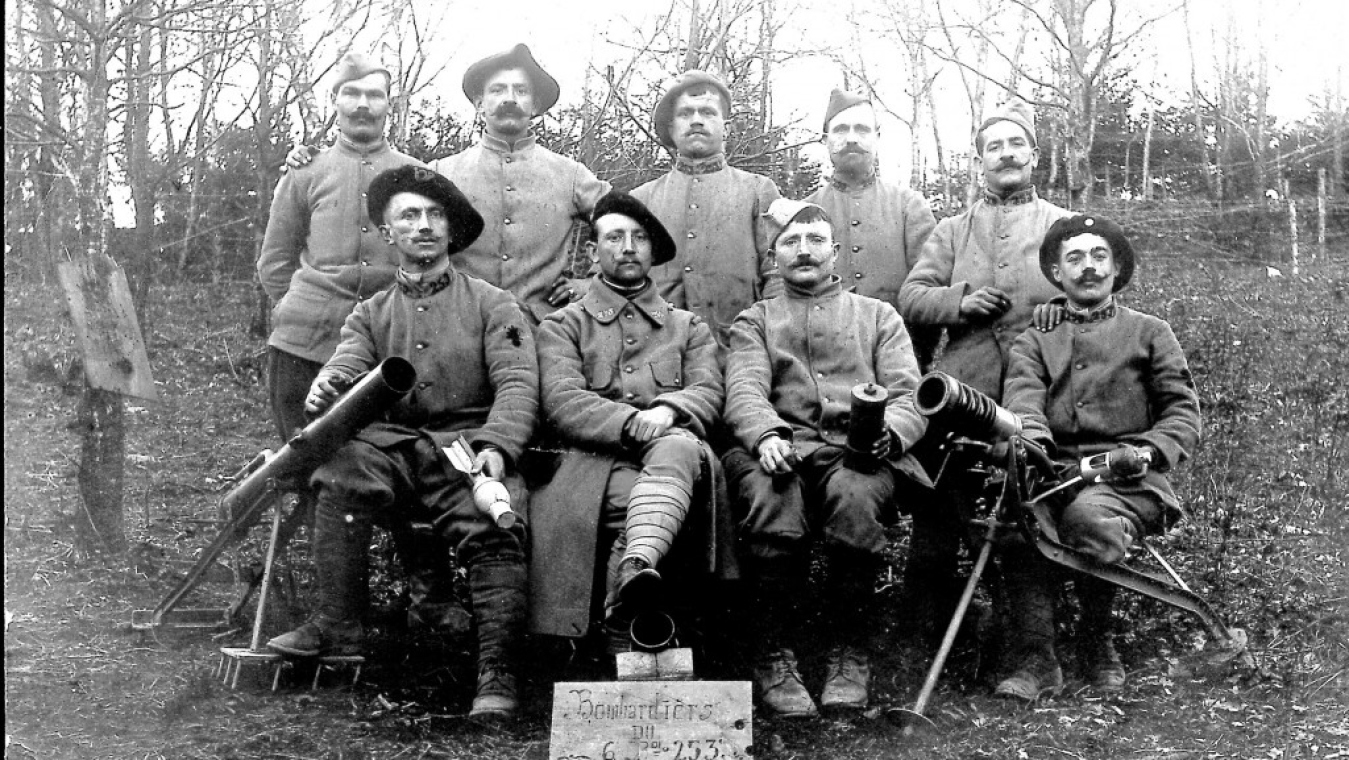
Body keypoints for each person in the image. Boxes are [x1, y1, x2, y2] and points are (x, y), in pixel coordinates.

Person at [265, 166, 539, 722]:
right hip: (389, 446)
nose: (424, 227)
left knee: (496, 523)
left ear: (452, 231)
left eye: (435, 216)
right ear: (388, 232)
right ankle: (337, 622)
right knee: (339, 474)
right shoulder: (370, 313)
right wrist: (331, 382)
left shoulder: (493, 304)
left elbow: (517, 382)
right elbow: (349, 360)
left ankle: (496, 672)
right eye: (409, 216)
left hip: (465, 445)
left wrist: (499, 446)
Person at [258, 53, 461, 632]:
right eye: (353, 95)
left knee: (398, 459)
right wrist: (302, 313)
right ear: (336, 102)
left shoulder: (416, 177)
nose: (364, 105)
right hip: (305, 348)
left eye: (375, 95)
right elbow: (275, 261)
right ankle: (335, 613)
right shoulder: (304, 174)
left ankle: (427, 599)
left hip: (389, 349)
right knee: (316, 467)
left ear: (389, 103)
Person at [722, 199, 932, 717]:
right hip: (781, 447)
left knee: (855, 496)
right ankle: (775, 655)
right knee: (773, 498)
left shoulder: (879, 316)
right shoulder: (755, 320)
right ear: (773, 258)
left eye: (815, 239)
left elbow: (910, 394)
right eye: (790, 242)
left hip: (856, 451)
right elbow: (744, 388)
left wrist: (894, 435)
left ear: (835, 252)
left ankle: (849, 653)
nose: (803, 251)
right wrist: (766, 435)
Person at [997, 214, 1201, 700]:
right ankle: (1037, 658)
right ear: (1056, 273)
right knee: (1015, 520)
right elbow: (1023, 399)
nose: (1088, 268)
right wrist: (1035, 450)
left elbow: (1181, 410)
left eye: (1099, 256)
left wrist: (1148, 451)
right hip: (1055, 471)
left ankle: (1096, 642)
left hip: (1128, 479)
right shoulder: (1034, 339)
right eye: (1075, 259)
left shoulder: (1150, 332)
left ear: (1115, 268)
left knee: (1090, 518)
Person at [894, 99, 1072, 642]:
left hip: (1042, 395)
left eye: (1016, 144)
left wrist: (1063, 309)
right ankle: (931, 637)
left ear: (1035, 155)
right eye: (993, 147)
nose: (1006, 154)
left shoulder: (1062, 226)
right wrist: (959, 301)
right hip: (961, 398)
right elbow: (911, 298)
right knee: (939, 519)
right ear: (979, 164)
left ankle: (1028, 641)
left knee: (1029, 513)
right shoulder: (953, 230)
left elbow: (1098, 294)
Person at [528, 191, 730, 664]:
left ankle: (629, 596)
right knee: (643, 488)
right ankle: (637, 627)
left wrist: (669, 411)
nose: (628, 247)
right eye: (614, 236)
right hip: (592, 463)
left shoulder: (688, 327)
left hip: (675, 457)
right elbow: (563, 400)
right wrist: (633, 423)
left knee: (679, 448)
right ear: (593, 250)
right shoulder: (563, 325)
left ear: (653, 253)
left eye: (639, 237)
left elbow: (708, 391)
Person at [286, 44, 611, 323]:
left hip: (544, 332)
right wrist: (311, 160)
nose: (509, 99)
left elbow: (633, 234)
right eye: (497, 90)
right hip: (457, 333)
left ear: (536, 105)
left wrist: (594, 287)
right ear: (479, 104)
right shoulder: (441, 173)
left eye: (520, 91)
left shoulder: (572, 176)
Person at [631, 70, 783, 350]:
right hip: (656, 359)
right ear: (671, 127)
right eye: (685, 113)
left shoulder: (758, 191)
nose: (697, 120)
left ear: (727, 127)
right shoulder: (641, 200)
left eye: (709, 113)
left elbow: (778, 278)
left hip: (737, 355)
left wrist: (764, 347)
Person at [805, 89, 938, 366]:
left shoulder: (909, 207)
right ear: (824, 140)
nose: (852, 138)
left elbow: (929, 291)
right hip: (822, 365)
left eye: (862, 129)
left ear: (877, 138)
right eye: (841, 129)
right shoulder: (804, 212)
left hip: (900, 363)